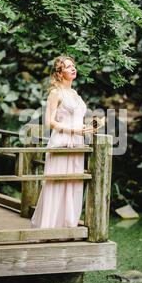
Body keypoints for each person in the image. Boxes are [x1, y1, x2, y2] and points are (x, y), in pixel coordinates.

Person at [30, 55, 97, 229]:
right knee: (57, 183)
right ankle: (49, 227)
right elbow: (50, 122)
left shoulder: (74, 93)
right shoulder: (55, 93)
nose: (73, 68)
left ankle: (68, 225)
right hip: (61, 141)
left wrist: (86, 128)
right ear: (59, 72)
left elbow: (75, 118)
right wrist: (73, 129)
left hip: (78, 142)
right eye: (68, 66)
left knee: (74, 183)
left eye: (73, 65)